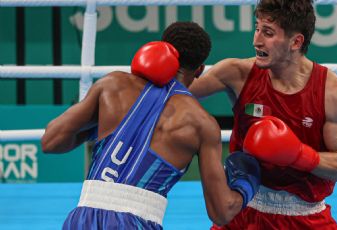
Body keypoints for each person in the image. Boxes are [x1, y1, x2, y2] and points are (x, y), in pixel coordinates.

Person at [41, 21, 261, 230]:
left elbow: (51, 142)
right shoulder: (202, 123)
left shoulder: (113, 84)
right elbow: (222, 212)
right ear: (200, 70)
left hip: (82, 219)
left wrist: (99, 129)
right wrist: (247, 182)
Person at [189, 0, 337, 229]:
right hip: (242, 211)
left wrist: (298, 155)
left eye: (268, 32)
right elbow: (174, 95)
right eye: (257, 28)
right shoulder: (237, 73)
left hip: (305, 218)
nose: (256, 40)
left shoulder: (334, 93)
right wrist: (171, 69)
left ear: (296, 41)